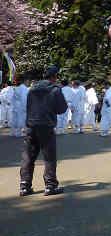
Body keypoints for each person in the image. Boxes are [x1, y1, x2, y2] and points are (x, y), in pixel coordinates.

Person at [19, 65, 67, 197]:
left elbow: (28, 107)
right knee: (49, 157)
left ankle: (24, 185)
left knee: (28, 156)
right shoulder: (55, 89)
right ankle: (50, 185)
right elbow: (61, 109)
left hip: (31, 125)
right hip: (46, 125)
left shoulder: (32, 89)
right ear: (54, 77)